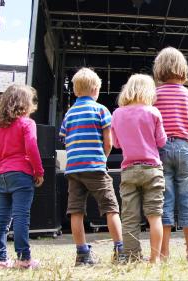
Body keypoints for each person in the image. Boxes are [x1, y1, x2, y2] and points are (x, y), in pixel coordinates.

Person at [59, 67, 124, 266]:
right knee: (111, 208)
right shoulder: (101, 110)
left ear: (76, 91)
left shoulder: (69, 114)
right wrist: (102, 158)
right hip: (95, 167)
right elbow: (109, 142)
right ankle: (120, 251)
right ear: (96, 89)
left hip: (74, 169)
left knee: (76, 211)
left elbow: (65, 141)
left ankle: (82, 254)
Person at [152, 47, 188, 262]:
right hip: (186, 148)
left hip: (162, 149)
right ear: (182, 69)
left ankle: (164, 253)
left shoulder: (153, 95)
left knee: (165, 200)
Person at [111, 74, 167, 263]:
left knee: (129, 218)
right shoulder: (153, 112)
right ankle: (155, 259)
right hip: (152, 170)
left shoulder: (117, 113)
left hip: (128, 170)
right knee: (154, 216)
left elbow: (116, 144)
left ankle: (133, 258)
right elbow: (161, 141)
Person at [0, 84, 44, 269]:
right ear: (26, 104)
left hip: (2, 175)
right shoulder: (27, 123)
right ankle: (24, 259)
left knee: (2, 219)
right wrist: (39, 171)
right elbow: (31, 147)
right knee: (21, 216)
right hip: (21, 174)